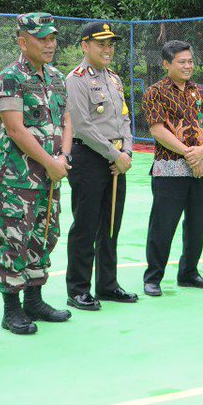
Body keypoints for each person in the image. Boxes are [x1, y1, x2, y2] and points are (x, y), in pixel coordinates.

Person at [0, 12, 73, 333]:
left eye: (52, 38)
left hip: (51, 175)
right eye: (42, 39)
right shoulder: (10, 78)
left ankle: (34, 300)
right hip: (19, 178)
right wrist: (50, 163)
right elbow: (15, 129)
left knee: (45, 234)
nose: (50, 44)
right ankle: (11, 309)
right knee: (15, 239)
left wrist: (64, 157)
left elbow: (67, 120)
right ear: (23, 42)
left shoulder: (56, 77)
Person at [64, 22, 138, 311]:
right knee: (86, 225)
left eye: (111, 44)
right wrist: (113, 154)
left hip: (117, 161)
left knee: (110, 225)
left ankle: (107, 284)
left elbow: (124, 119)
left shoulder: (114, 79)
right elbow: (81, 126)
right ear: (85, 45)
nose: (108, 49)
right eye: (101, 44)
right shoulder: (77, 79)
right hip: (90, 159)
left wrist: (127, 151)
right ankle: (78, 289)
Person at [141, 40, 203, 297]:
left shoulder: (202, 92)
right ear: (166, 64)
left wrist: (201, 152)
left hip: (202, 169)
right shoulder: (155, 92)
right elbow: (157, 129)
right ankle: (153, 277)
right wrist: (189, 153)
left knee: (196, 225)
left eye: (190, 61)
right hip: (170, 169)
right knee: (163, 225)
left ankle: (189, 273)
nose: (188, 66)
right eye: (181, 62)